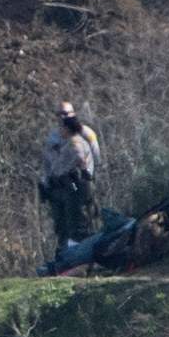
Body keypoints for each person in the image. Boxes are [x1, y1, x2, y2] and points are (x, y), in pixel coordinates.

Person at [38, 104, 103, 246]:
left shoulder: (83, 135)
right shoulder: (54, 136)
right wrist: (46, 182)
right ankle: (66, 255)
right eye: (59, 114)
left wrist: (86, 177)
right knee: (62, 226)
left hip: (76, 184)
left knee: (81, 220)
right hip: (60, 187)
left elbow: (93, 158)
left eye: (66, 114)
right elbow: (49, 162)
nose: (62, 117)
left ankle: (88, 251)